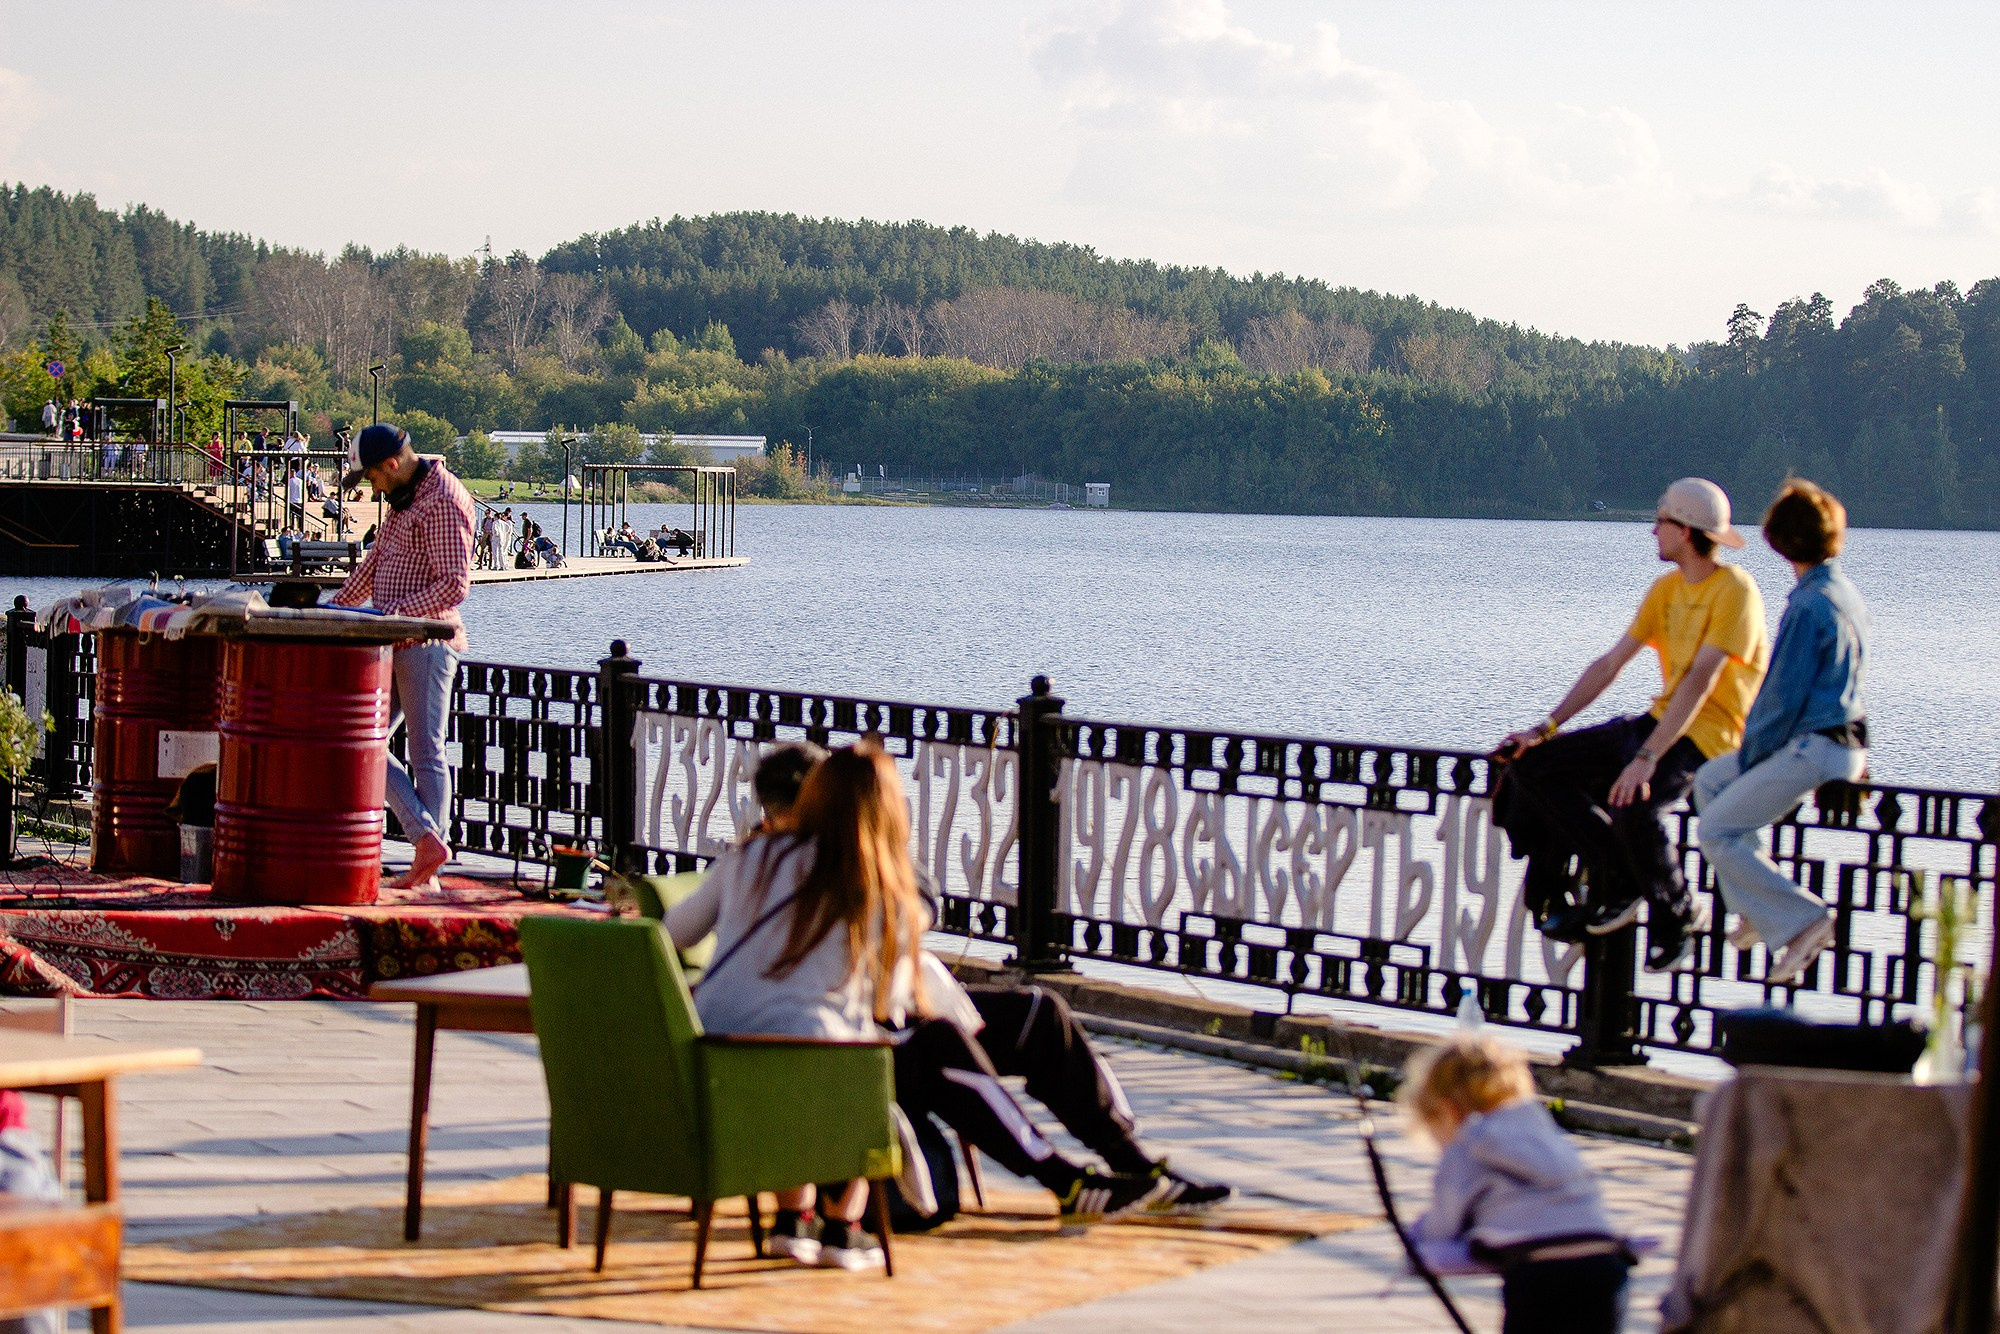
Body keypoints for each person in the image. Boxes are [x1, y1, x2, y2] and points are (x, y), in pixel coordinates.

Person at [747, 744, 1230, 1220]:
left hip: (896, 1010)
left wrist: (889, 886)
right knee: (942, 1043)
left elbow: (918, 895)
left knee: (1038, 1014)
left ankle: (1133, 1164)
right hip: (849, 1041)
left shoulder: (857, 853)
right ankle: (1065, 1180)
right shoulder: (765, 868)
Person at [664, 742, 931, 1271]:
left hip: (717, 1046)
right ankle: (843, 1229)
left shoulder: (750, 857)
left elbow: (675, 933)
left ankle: (791, 1222)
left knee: (787, 1051)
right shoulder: (874, 881)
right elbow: (890, 1001)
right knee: (860, 1059)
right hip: (814, 1055)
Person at [1494, 478, 1769, 972]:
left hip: (1710, 740)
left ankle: (1678, 914)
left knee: (1635, 804)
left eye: (1660, 521)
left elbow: (1700, 681)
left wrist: (1645, 759)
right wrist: (1546, 728)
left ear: (1685, 531)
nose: (1652, 531)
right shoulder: (1666, 590)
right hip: (1659, 722)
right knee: (1535, 767)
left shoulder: (1736, 592)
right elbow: (1610, 664)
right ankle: (1615, 874)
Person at [1693, 481, 1867, 985]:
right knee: (1708, 781)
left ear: (1782, 542)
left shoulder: (1806, 607)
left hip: (1815, 748)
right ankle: (1753, 909)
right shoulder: (1846, 596)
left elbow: (1780, 698)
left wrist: (1753, 755)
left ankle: (1803, 918)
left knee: (1714, 832)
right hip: (1845, 746)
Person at [1404, 1033, 1632, 1334]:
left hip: (1539, 1274)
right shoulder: (1540, 1129)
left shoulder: (1468, 1142)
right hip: (1605, 1265)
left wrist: (1416, 1241)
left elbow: (1446, 1223)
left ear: (1447, 1109)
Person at [330, 423, 476, 892]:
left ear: (391, 465)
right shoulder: (403, 498)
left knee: (426, 752)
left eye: (371, 476)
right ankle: (428, 843)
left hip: (429, 645)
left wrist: (391, 615)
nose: (370, 487)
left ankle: (429, 860)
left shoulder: (443, 499)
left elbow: (455, 584)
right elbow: (377, 563)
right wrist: (331, 610)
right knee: (360, 736)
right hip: (393, 642)